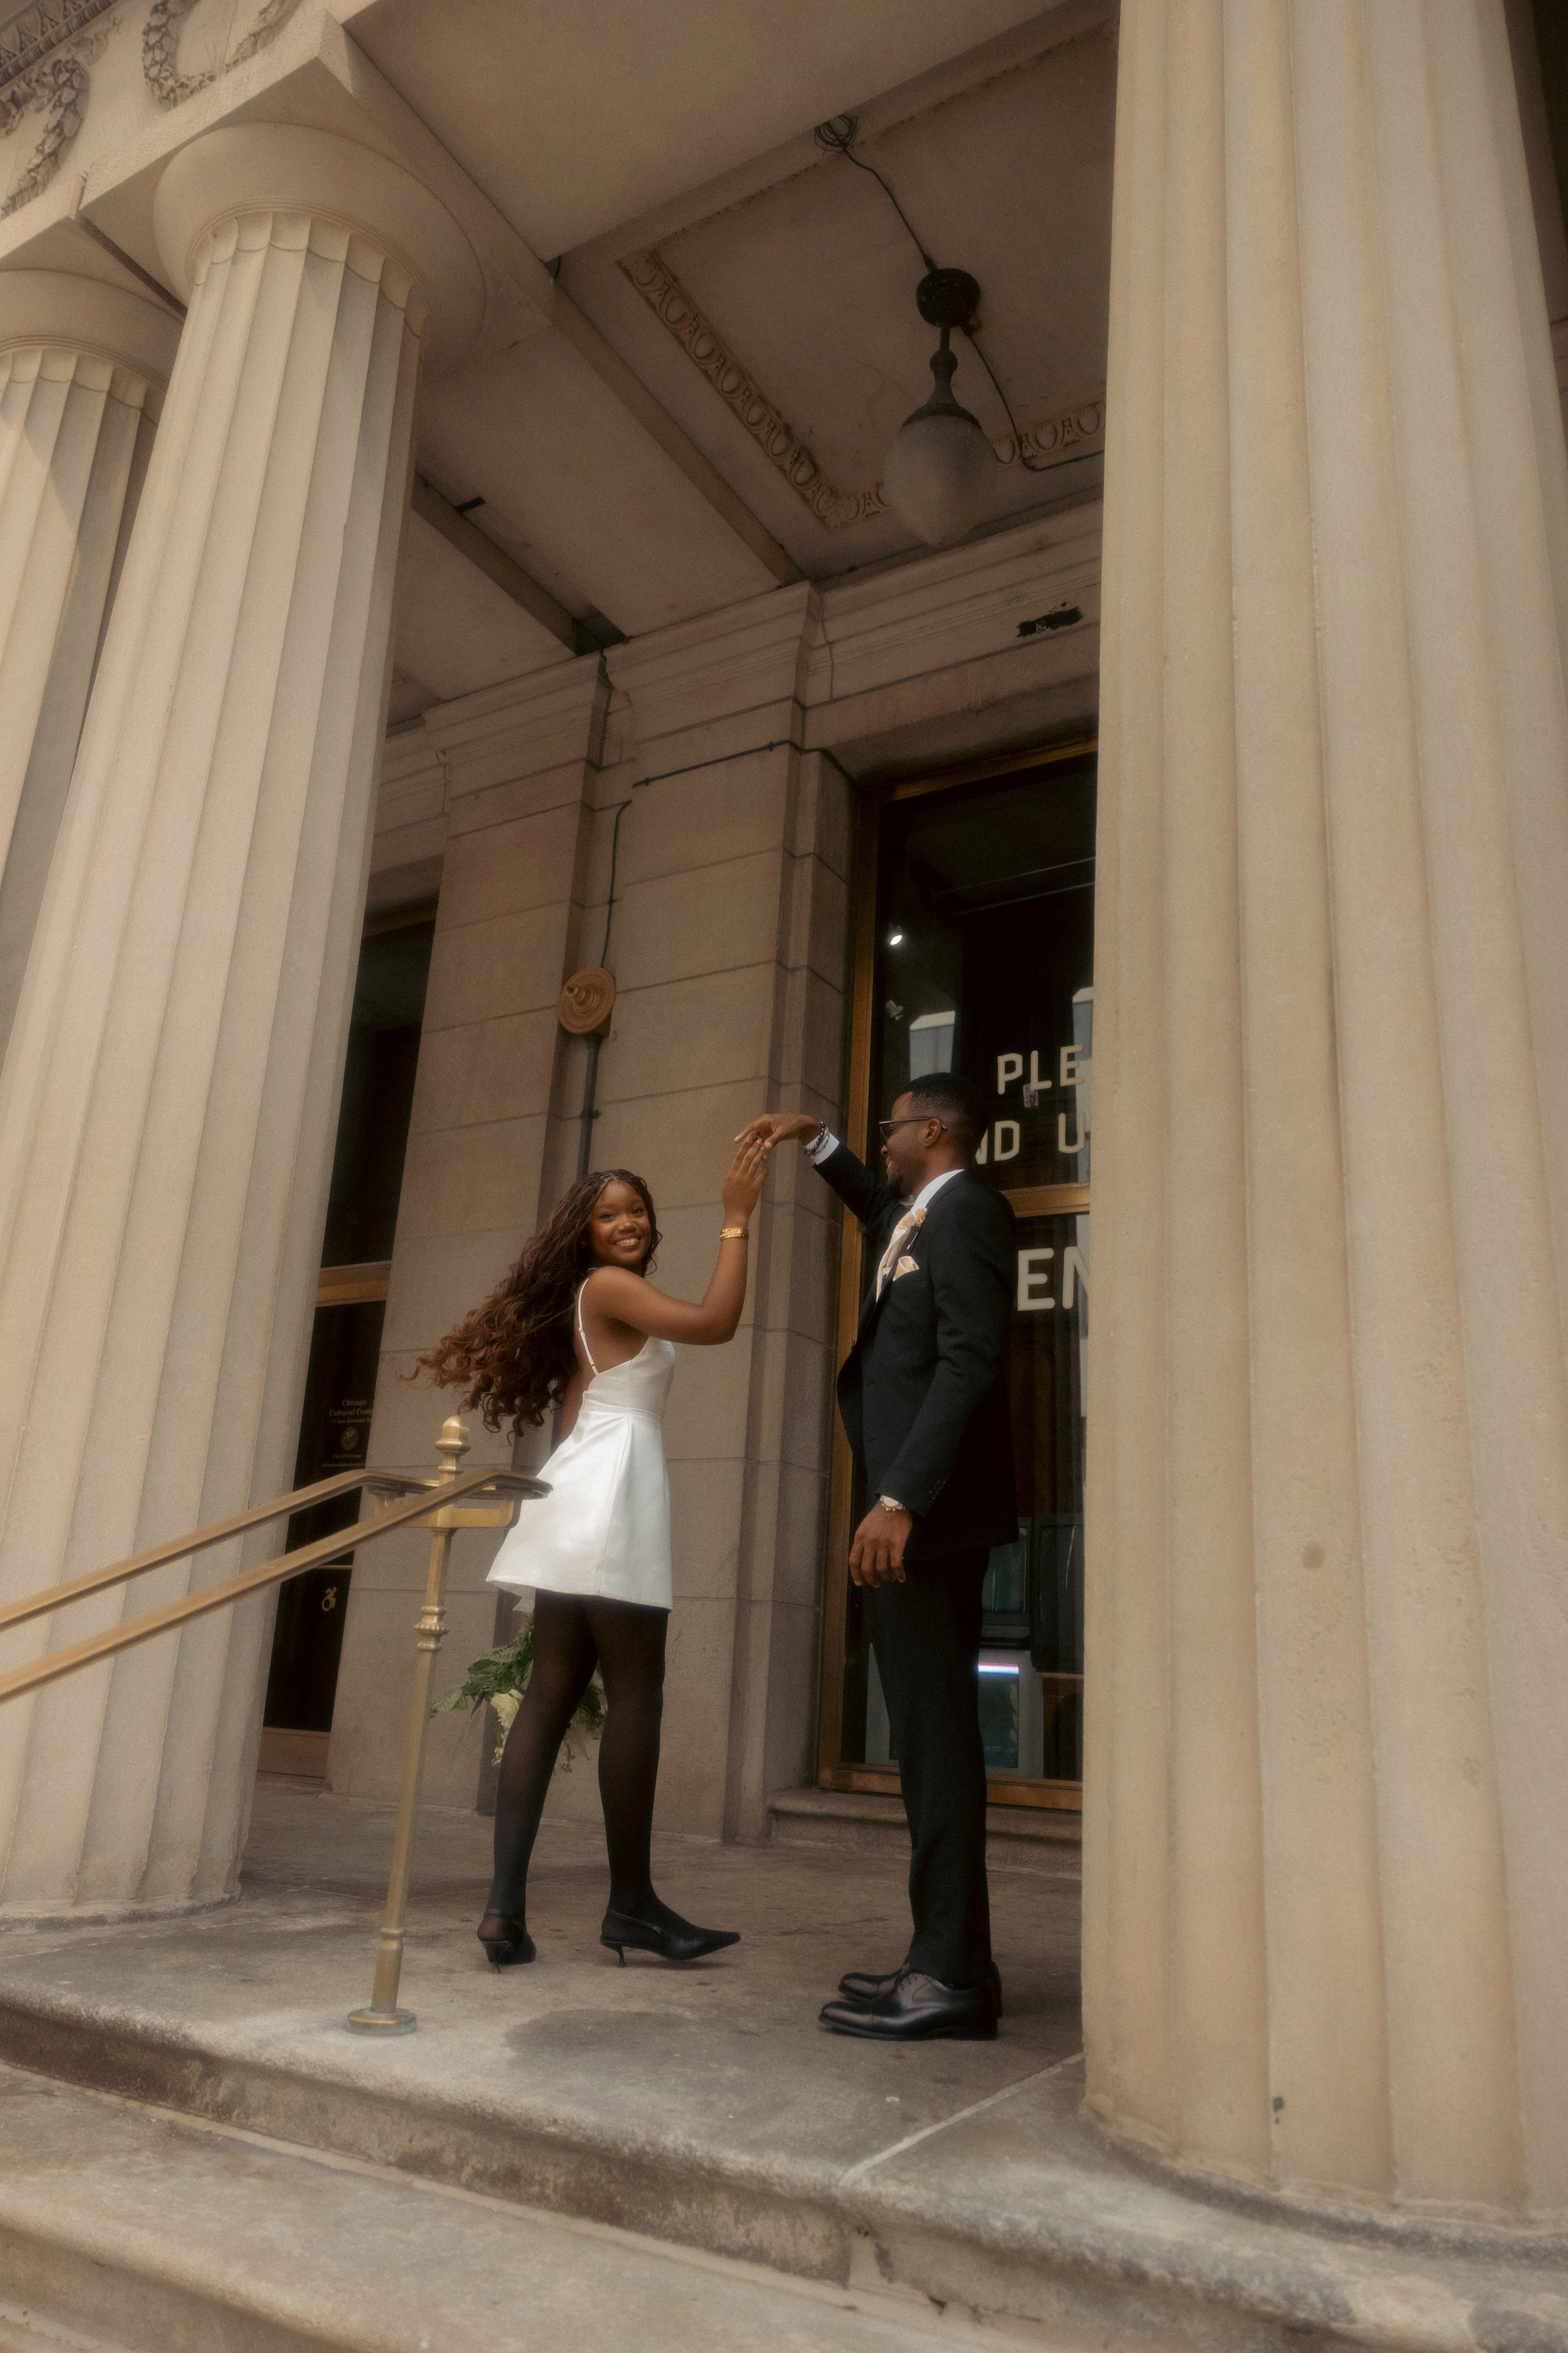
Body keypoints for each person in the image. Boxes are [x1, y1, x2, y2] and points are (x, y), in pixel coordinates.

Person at [418, 1141, 769, 1971]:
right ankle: (632, 1905)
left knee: (551, 1692)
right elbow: (718, 1323)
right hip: (616, 1494)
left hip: (586, 1485)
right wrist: (737, 1218)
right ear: (584, 1233)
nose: (626, 1222)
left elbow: (583, 1410)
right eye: (608, 1213)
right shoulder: (610, 1288)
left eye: (636, 1209)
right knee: (636, 1690)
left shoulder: (605, 1302)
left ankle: (505, 1909)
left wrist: (578, 1498)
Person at [737, 1077, 1016, 2041]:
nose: (884, 1141)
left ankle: (948, 1974)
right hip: (917, 1512)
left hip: (927, 1519)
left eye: (892, 1127)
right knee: (926, 1745)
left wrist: (899, 1497)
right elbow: (876, 1208)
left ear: (933, 1131)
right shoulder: (920, 1214)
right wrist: (819, 1142)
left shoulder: (968, 1210)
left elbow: (971, 1356)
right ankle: (951, 1956)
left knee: (936, 1747)